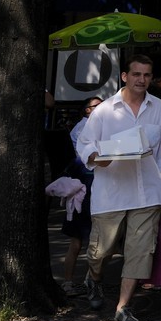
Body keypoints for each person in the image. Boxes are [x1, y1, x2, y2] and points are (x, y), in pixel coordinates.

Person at [74, 53, 161, 321]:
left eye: (146, 75)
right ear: (125, 77)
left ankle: (122, 307)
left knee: (140, 252)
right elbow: (84, 145)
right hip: (112, 192)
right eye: (137, 74)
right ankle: (93, 277)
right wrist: (96, 157)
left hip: (147, 192)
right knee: (101, 251)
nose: (142, 80)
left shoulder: (160, 108)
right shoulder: (105, 110)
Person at [57, 96, 103, 291]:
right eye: (97, 106)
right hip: (85, 186)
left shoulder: (94, 126)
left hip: (89, 185)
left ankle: (80, 281)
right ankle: (72, 281)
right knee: (81, 241)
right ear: (87, 110)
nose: (101, 109)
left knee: (87, 241)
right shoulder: (84, 128)